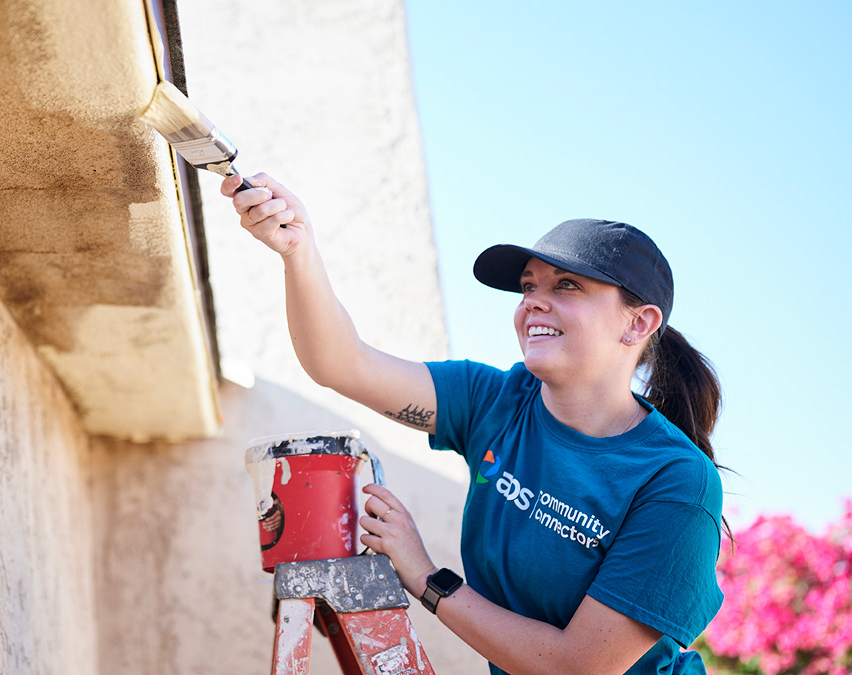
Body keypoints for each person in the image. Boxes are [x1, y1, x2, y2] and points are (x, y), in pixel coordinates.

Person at [221, 173, 726, 675]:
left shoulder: (679, 482)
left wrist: (425, 577)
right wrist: (298, 251)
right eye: (528, 286)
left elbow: (578, 668)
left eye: (566, 285)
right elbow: (341, 364)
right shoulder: (495, 402)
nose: (533, 301)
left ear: (638, 323)